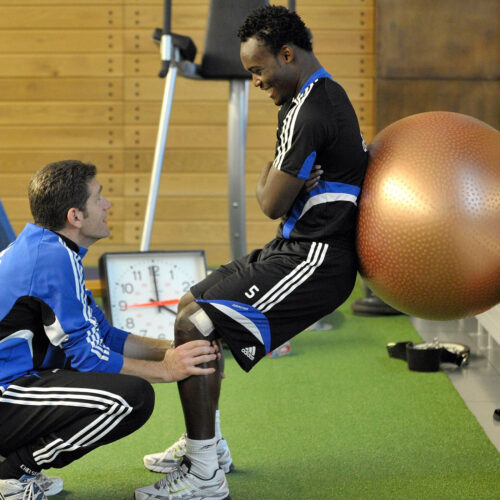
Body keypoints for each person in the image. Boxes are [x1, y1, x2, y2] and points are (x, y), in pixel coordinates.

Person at [135, 5, 368, 499]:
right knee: (188, 306)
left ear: (287, 54)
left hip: (315, 260)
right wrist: (277, 172)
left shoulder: (313, 110)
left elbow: (269, 202)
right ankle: (209, 445)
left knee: (195, 326)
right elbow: (277, 190)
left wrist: (274, 179)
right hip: (293, 245)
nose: (257, 82)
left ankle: (203, 475)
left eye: (259, 70)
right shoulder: (301, 99)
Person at [0, 160, 220, 500]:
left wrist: (177, 348)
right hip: (5, 393)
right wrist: (165, 369)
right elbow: (89, 359)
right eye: (99, 197)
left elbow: (102, 336)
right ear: (75, 216)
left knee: (119, 385)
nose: (108, 205)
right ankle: (9, 473)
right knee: (129, 399)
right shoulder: (52, 258)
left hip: (14, 386)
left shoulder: (52, 249)